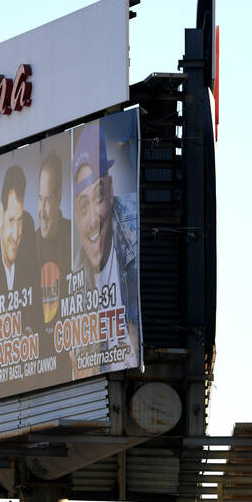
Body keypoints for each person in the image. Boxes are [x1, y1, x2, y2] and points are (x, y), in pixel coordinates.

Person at [71, 121, 140, 372]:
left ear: (110, 190)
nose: (92, 220)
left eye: (98, 196)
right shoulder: (74, 276)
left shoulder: (135, 228)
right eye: (83, 205)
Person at [0, 164, 42, 332]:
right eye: (11, 220)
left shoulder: (28, 224)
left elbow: (34, 284)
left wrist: (30, 325)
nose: (16, 234)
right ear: (1, 213)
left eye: (20, 219)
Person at [36, 149, 71, 325]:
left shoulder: (75, 238)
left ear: (59, 197)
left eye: (48, 199)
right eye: (40, 199)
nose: (42, 212)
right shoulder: (28, 245)